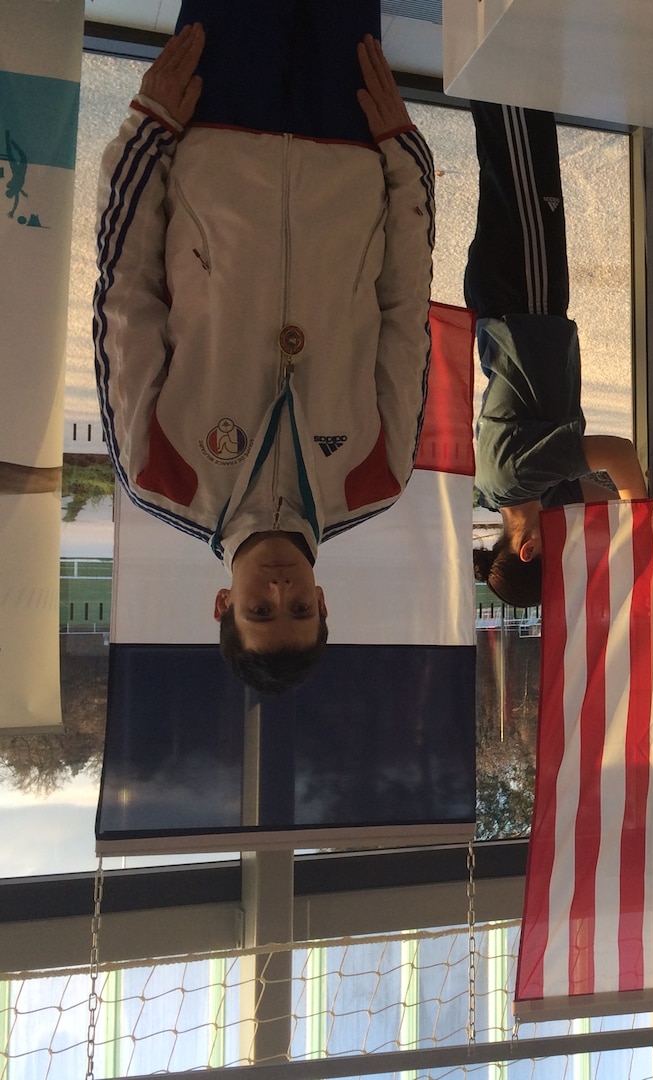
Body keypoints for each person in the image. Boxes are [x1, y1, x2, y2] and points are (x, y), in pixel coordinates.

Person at [92, 3, 435, 694]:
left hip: (217, 135)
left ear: (223, 605)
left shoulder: (161, 476)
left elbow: (124, 295)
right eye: (300, 608)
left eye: (259, 610)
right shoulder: (376, 479)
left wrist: (147, 131)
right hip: (350, 148)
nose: (281, 590)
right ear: (323, 601)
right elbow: (406, 310)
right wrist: (405, 160)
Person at [467, 103, 647, 608]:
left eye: (565, 551)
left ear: (528, 549)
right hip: (523, 305)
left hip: (521, 298)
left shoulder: (519, 478)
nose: (576, 539)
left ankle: (505, 62)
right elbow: (601, 501)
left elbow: (620, 455)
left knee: (518, 145)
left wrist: (642, 527)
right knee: (517, 159)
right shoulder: (530, 494)